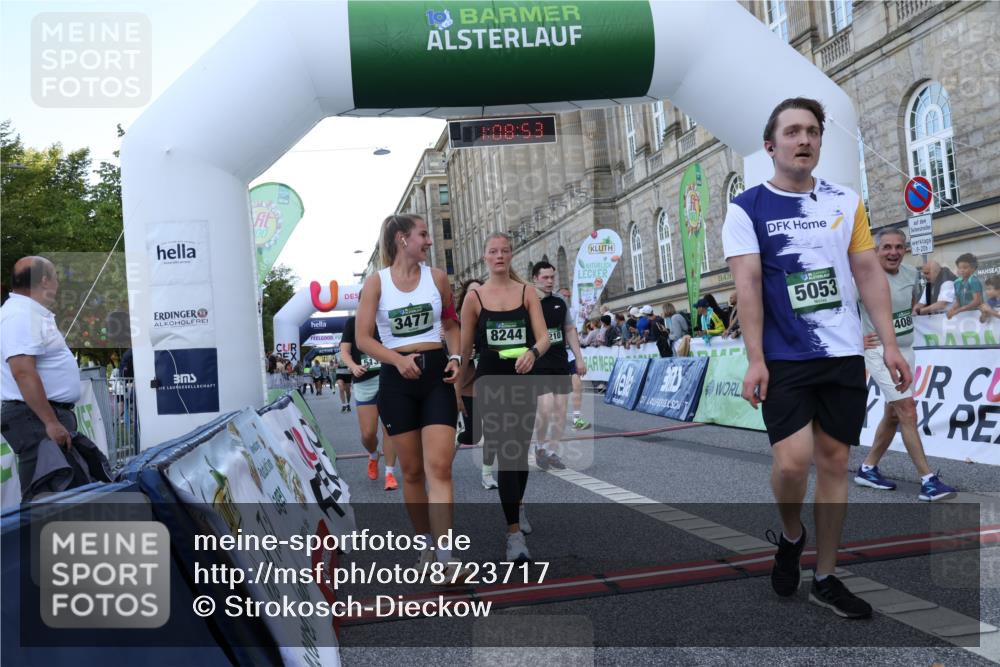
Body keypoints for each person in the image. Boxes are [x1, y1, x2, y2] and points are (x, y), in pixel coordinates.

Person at [723, 97, 910, 619]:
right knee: (792, 461)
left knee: (832, 463)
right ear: (770, 145)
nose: (804, 140)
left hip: (843, 353)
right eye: (792, 132)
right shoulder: (747, 208)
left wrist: (888, 342)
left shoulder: (846, 201)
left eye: (812, 131)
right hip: (783, 357)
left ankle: (826, 576)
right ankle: (790, 535)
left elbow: (869, 273)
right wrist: (755, 358)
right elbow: (749, 284)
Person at [356, 213, 466, 577]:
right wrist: (396, 360)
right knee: (414, 472)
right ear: (403, 239)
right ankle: (426, 546)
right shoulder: (377, 283)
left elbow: (450, 322)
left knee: (440, 467)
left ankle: (448, 559)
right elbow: (363, 339)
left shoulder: (437, 278)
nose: (429, 242)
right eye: (424, 235)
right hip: (396, 380)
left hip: (436, 375)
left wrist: (455, 356)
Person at [460, 233, 550, 562]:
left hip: (522, 380)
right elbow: (465, 350)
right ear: (485, 257)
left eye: (505, 251)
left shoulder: (527, 292)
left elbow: (544, 339)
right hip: (490, 383)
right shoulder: (475, 297)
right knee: (508, 455)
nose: (499, 256)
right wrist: (457, 391)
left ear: (511, 255)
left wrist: (532, 352)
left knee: (520, 452)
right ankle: (513, 534)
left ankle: (519, 504)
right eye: (493, 251)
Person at [854, 228, 957, 501]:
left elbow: (911, 306)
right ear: (876, 251)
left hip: (906, 350)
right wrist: (857, 339)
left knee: (892, 413)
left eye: (899, 247)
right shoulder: (861, 277)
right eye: (886, 247)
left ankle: (868, 468)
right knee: (907, 409)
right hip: (877, 351)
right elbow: (840, 313)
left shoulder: (912, 275)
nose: (893, 252)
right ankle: (928, 481)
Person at [1, 257, 110, 500]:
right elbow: (23, 371)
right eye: (57, 278)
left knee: (61, 494)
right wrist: (50, 422)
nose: (58, 285)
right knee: (47, 496)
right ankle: (39, 538)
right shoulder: (20, 315)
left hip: (39, 416)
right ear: (44, 281)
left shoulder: (27, 314)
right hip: (36, 419)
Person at [531, 261, 587, 471]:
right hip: (538, 363)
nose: (549, 281)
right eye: (545, 277)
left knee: (562, 411)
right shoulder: (529, 301)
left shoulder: (560, 300)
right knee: (545, 408)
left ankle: (551, 452)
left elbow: (570, 329)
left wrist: (579, 358)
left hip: (559, 361)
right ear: (535, 278)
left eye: (552, 277)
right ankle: (539, 446)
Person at [341, 313, 398, 490]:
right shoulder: (353, 323)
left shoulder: (387, 319)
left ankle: (390, 473)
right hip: (364, 382)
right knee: (368, 434)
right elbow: (344, 351)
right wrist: (353, 366)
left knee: (389, 429)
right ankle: (373, 455)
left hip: (388, 377)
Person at [454, 279, 497, 490]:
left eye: (479, 292)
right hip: (468, 381)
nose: (476, 296)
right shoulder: (455, 324)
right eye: (472, 293)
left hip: (490, 380)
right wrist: (460, 354)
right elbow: (448, 355)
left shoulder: (491, 318)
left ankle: (487, 473)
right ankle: (457, 439)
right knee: (473, 434)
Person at [558, 287, 590, 430]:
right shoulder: (547, 307)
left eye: (568, 296)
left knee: (577, 383)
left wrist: (579, 358)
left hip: (569, 353)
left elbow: (573, 331)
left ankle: (577, 418)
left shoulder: (572, 311)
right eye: (563, 295)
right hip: (553, 353)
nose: (566, 298)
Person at [947, 252, 983, 319]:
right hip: (965, 315)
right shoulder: (956, 283)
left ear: (973, 268)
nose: (962, 270)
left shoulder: (974, 281)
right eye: (959, 268)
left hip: (977, 314)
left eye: (965, 267)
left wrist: (958, 310)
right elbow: (958, 302)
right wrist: (952, 310)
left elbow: (977, 301)